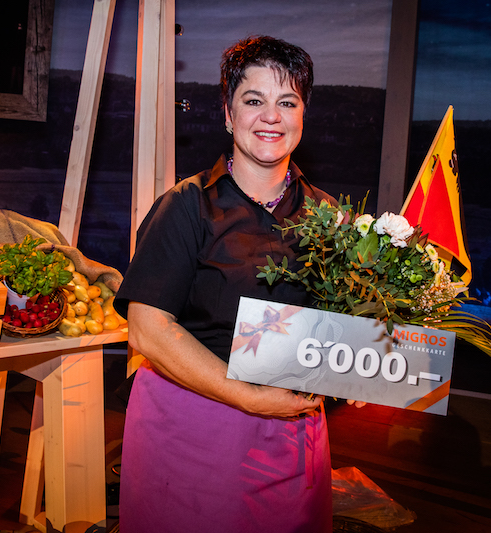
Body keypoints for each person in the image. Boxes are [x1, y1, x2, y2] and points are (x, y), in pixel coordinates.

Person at [114, 35, 345, 532]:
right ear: (228, 113)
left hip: (294, 432)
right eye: (254, 100)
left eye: (287, 102)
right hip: (194, 428)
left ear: (303, 115)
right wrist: (246, 397)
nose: (271, 117)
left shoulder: (330, 217)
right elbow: (147, 329)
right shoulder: (186, 206)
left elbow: (339, 324)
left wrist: (361, 364)